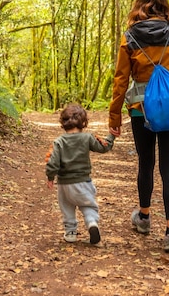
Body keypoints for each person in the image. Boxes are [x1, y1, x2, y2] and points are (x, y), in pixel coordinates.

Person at [108, 0, 169, 254]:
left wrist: (114, 114)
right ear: (164, 5)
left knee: (146, 162)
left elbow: (121, 79)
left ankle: (144, 218)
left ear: (139, 4)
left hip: (140, 107)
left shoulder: (130, 37)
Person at [46, 103, 115, 245]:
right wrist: (111, 137)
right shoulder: (87, 138)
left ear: (63, 123)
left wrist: (50, 176)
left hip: (64, 184)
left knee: (67, 207)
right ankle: (91, 223)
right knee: (88, 205)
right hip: (83, 182)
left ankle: (71, 232)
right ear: (83, 123)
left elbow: (53, 162)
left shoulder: (59, 142)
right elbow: (103, 147)